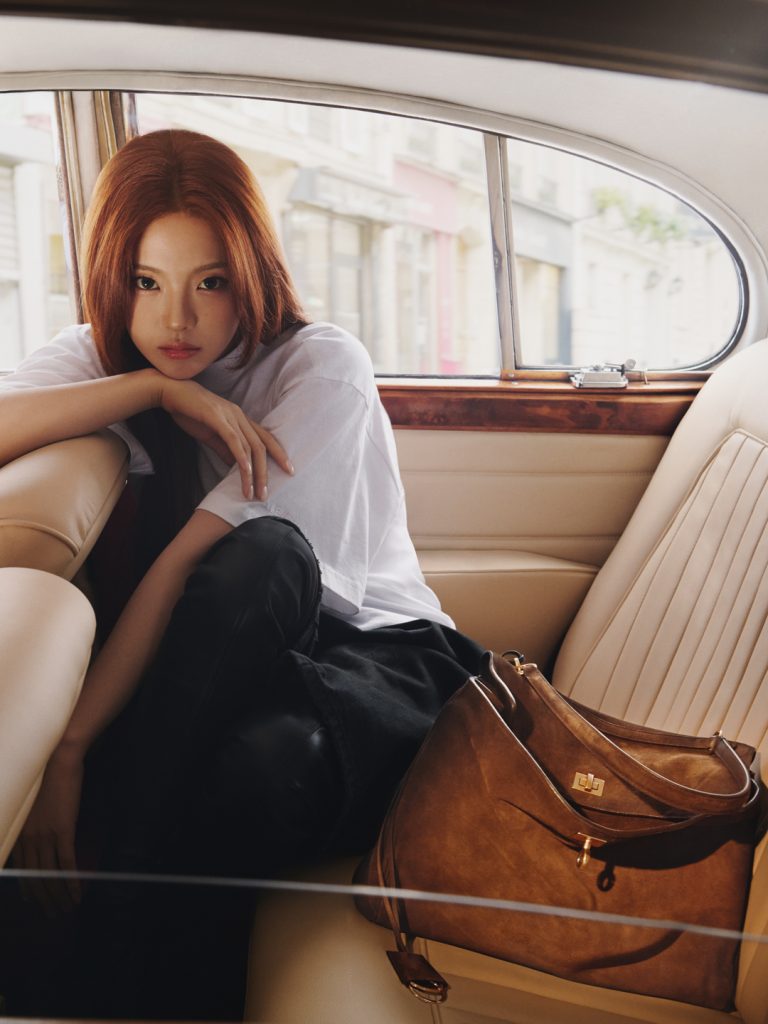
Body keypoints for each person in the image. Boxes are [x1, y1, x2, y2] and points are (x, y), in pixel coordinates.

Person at [0, 129, 482, 1019]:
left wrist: (68, 749)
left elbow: (207, 571)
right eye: (146, 282)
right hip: (212, 669)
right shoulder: (110, 358)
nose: (175, 322)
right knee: (218, 757)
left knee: (257, 594)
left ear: (252, 271)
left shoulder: (320, 366)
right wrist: (148, 391)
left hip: (373, 661)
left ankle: (107, 949)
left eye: (210, 282)